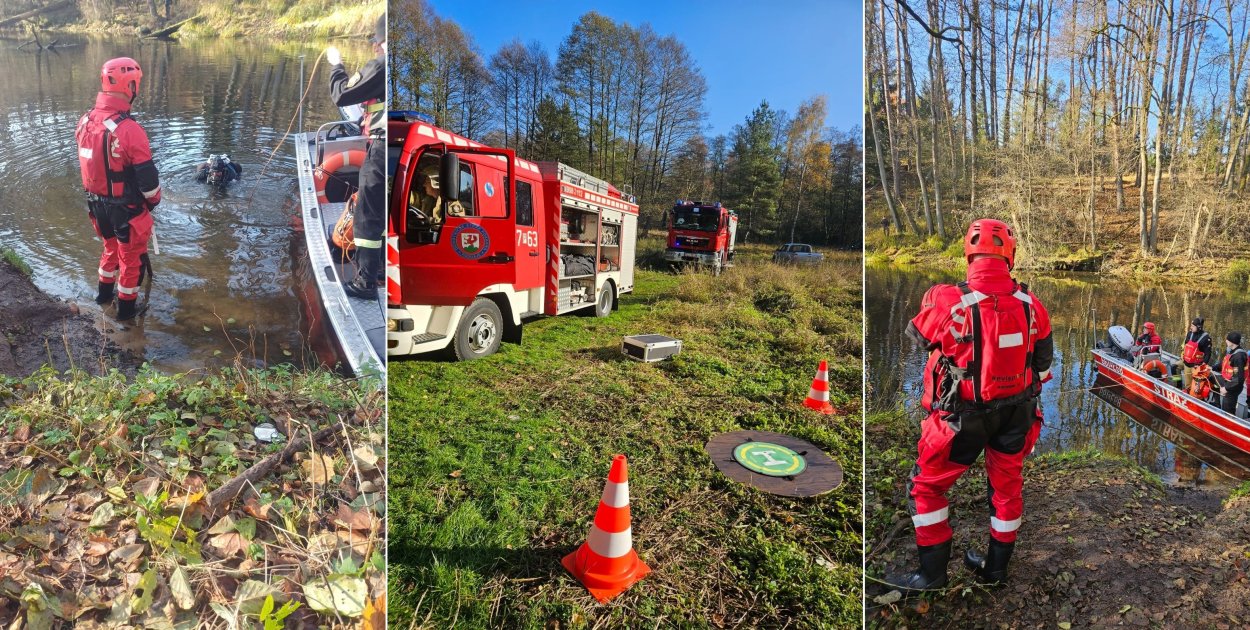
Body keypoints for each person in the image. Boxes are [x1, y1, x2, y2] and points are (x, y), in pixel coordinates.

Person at [887, 218, 1054, 594]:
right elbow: (1043, 366)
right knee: (1006, 490)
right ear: (1010, 256)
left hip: (962, 418)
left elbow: (920, 340)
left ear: (969, 254)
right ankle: (995, 570)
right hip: (1017, 414)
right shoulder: (1033, 305)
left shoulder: (947, 298)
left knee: (926, 489)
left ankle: (931, 576)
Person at [75, 57, 162, 322]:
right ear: (130, 85)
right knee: (131, 260)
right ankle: (126, 316)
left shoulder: (85, 120)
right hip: (127, 211)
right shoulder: (129, 130)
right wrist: (153, 202)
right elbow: (149, 184)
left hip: (97, 206)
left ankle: (102, 297)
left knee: (110, 249)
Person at [327, 13, 385, 299]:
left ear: (380, 42)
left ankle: (365, 282)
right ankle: (380, 269)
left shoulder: (381, 65)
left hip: (381, 147)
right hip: (390, 148)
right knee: (382, 210)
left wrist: (336, 65)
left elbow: (341, 95)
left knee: (368, 214)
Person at [1219, 332, 1247, 414]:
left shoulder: (1239, 356)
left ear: (1232, 342)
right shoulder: (1232, 351)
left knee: (1227, 410)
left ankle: (1228, 418)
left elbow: (1238, 378)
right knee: (1210, 376)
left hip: (1233, 386)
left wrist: (1226, 388)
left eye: (1227, 340)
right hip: (1228, 380)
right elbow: (1224, 363)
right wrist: (1212, 368)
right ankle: (1216, 402)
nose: (1226, 341)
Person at [1181, 317, 1212, 389]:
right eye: (1191, 325)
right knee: (1174, 367)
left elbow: (1208, 353)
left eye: (1193, 326)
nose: (1191, 327)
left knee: (1192, 385)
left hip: (1196, 365)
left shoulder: (1206, 338)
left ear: (1199, 327)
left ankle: (1189, 391)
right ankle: (1179, 386)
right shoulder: (1189, 334)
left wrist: (1203, 365)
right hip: (1186, 362)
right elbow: (1186, 345)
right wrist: (1183, 354)